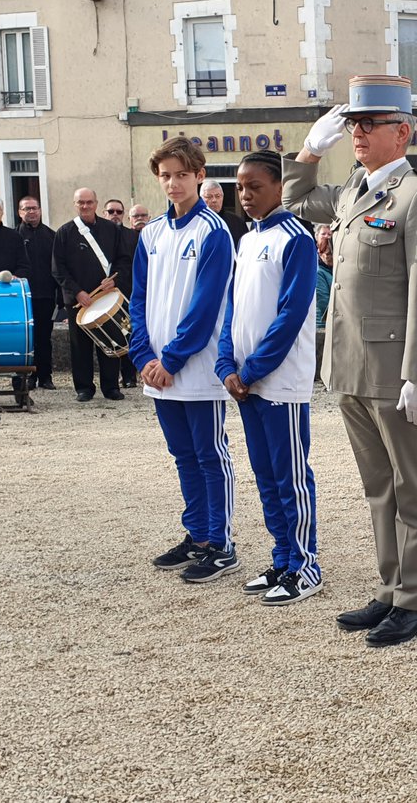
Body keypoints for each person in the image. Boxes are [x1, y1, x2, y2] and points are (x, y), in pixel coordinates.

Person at [282, 75, 417, 648]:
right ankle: (389, 589)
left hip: (393, 369)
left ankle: (414, 600)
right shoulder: (355, 188)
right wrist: (309, 151)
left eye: (368, 124)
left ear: (401, 132)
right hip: (351, 364)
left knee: (413, 486)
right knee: (378, 486)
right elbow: (294, 199)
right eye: (353, 123)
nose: (356, 132)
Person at [216, 150, 321, 604]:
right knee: (264, 474)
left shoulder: (295, 238)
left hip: (279, 382)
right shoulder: (246, 240)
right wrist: (225, 365)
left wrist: (253, 369)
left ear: (280, 186)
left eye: (255, 186)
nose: (245, 195)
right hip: (246, 382)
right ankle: (281, 558)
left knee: (290, 475)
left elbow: (291, 314)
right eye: (240, 187)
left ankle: (305, 564)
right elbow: (233, 309)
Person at [133, 136, 239, 583]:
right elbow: (138, 298)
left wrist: (171, 359)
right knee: (182, 454)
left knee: (209, 453)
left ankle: (221, 543)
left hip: (193, 366)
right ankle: (196, 534)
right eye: (165, 177)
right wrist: (142, 353)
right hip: (157, 368)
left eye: (181, 175)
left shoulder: (213, 232)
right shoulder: (152, 233)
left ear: (200, 175)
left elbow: (207, 306)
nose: (173, 184)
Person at [52, 187, 131, 401]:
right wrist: (77, 292)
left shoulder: (111, 230)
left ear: (96, 204)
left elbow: (124, 260)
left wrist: (114, 280)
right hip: (79, 300)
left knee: (111, 340)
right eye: (81, 203)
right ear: (75, 204)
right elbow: (58, 269)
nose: (85, 206)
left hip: (106, 295)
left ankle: (111, 386)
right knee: (80, 346)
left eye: (89, 202)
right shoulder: (65, 232)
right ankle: (84, 388)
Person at [17, 196, 57, 389]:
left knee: (44, 338)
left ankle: (45, 376)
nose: (31, 212)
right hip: (22, 297)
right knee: (26, 338)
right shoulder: (14, 236)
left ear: (40, 211)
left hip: (46, 295)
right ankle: (29, 377)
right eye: (26, 209)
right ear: (20, 212)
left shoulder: (52, 236)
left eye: (34, 208)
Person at [104, 199, 139, 388]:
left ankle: (129, 376)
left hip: (129, 291)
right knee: (110, 336)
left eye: (119, 211)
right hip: (104, 293)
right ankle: (111, 379)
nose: (115, 215)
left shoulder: (132, 236)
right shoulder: (99, 234)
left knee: (128, 333)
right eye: (111, 211)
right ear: (104, 213)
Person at [201, 179, 248, 248]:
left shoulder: (237, 222)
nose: (214, 200)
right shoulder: (196, 222)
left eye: (218, 196)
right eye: (209, 197)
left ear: (222, 197)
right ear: (201, 199)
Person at [314, 224, 333, 328]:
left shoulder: (334, 270)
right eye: (324, 234)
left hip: (333, 324)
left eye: (330, 234)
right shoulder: (318, 271)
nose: (327, 236)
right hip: (322, 324)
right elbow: (323, 302)